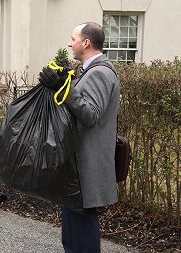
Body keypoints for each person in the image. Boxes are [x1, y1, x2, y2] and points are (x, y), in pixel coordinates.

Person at [39, 22, 120, 252]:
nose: (69, 43)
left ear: (86, 43)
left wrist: (63, 88)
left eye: (72, 38)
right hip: (77, 162)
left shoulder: (101, 73)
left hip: (87, 163)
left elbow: (91, 114)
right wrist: (65, 81)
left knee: (82, 228)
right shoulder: (88, 71)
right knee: (72, 230)